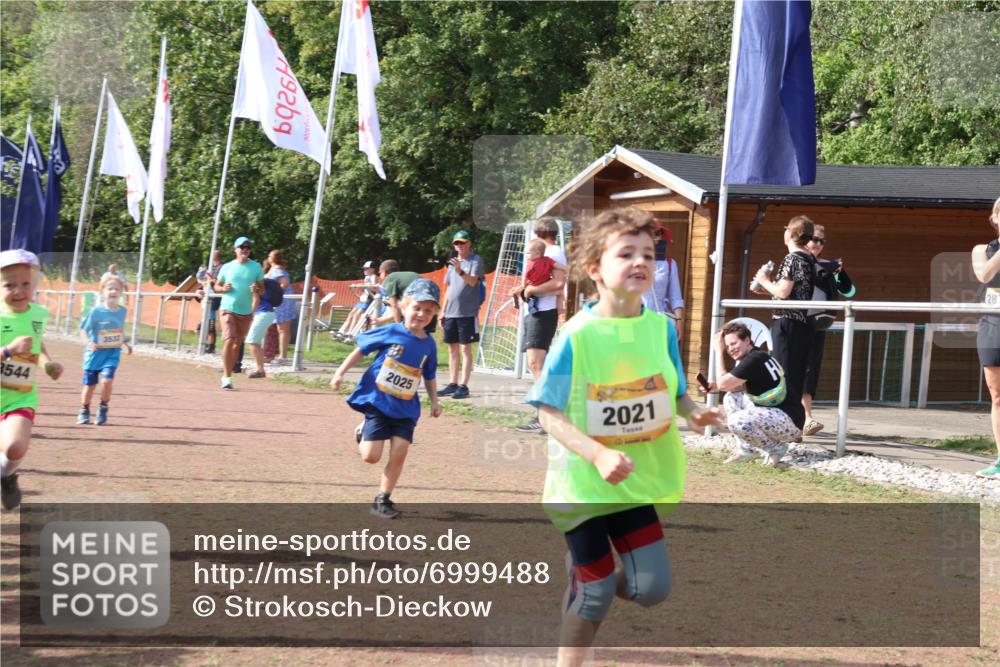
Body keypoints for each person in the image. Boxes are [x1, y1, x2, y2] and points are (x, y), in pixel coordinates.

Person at [525, 208, 721, 665]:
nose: (640, 262)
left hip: (635, 482)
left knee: (651, 589)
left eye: (648, 255)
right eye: (626, 253)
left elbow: (673, 391)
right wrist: (597, 454)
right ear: (595, 268)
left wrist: (694, 412)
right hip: (585, 485)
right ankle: (583, 606)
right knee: (595, 594)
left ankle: (586, 581)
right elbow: (548, 413)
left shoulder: (661, 328)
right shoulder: (576, 335)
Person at [330, 278, 442, 519]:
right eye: (417, 308)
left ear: (434, 315)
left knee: (400, 450)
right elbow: (361, 350)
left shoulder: (429, 344)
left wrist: (435, 401)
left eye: (428, 311)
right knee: (371, 457)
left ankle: (383, 499)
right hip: (379, 402)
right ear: (404, 307)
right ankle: (363, 431)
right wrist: (340, 373)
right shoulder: (392, 331)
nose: (421, 314)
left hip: (406, 407)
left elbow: (429, 374)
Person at [1, 249, 64, 510]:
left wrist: (47, 363)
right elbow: (14, 348)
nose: (19, 291)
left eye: (25, 284)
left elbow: (36, 345)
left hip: (19, 396)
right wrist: (8, 350)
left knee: (16, 447)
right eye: (9, 285)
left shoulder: (38, 314)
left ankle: (7, 476)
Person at [709, 321, 804, 466]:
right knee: (731, 398)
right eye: (726, 346)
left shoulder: (753, 360)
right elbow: (732, 387)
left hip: (789, 423)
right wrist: (714, 387)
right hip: (783, 417)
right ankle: (747, 450)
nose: (730, 349)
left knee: (736, 421)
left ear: (747, 340)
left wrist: (718, 351)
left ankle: (776, 448)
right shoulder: (758, 355)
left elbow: (723, 384)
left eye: (733, 343)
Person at [752, 215, 817, 414]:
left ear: (792, 233)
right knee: (796, 373)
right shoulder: (809, 258)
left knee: (783, 372)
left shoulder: (792, 258)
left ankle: (785, 417)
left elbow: (783, 292)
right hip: (802, 323)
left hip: (787, 323)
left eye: (786, 228)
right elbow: (794, 293)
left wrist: (764, 280)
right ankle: (796, 418)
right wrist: (766, 289)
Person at [800, 224, 855, 436]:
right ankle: (801, 418)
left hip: (817, 326)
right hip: (796, 323)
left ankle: (807, 418)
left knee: (809, 371)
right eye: (814, 239)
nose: (817, 244)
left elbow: (849, 292)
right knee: (794, 370)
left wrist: (840, 272)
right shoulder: (796, 261)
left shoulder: (829, 266)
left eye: (822, 241)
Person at [515, 217, 568, 434]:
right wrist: (523, 290)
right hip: (535, 311)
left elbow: (558, 283)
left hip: (543, 312)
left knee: (537, 364)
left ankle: (547, 415)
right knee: (535, 364)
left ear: (539, 234)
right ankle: (546, 413)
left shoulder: (552, 252)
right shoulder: (543, 253)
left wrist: (531, 291)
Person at [77, 275, 133, 425]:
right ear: (103, 291)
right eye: (110, 288)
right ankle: (84, 409)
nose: (113, 291)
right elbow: (83, 330)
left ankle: (103, 407)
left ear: (121, 292)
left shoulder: (122, 311)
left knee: (107, 381)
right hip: (94, 354)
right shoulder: (96, 312)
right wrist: (88, 342)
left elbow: (118, 331)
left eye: (117, 289)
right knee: (90, 386)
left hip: (112, 353)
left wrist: (125, 344)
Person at [971, 196, 1000, 479]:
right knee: (997, 395)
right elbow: (985, 275)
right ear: (995, 218)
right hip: (993, 324)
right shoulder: (982, 249)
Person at [213, 236, 265, 390]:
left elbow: (262, 289)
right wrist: (223, 289)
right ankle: (226, 377)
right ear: (235, 250)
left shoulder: (256, 267)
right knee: (230, 339)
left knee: (237, 345)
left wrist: (256, 289)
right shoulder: (227, 267)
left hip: (245, 312)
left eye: (248, 247)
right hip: (227, 308)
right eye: (242, 247)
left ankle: (229, 374)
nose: (245, 250)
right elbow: (216, 286)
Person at [439, 230, 483, 400]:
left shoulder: (475, 260)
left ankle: (464, 385)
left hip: (467, 312)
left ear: (469, 243)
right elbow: (449, 289)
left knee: (465, 348)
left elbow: (472, 282)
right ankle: (453, 383)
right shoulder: (453, 264)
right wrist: (443, 311)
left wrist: (460, 271)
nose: (459, 246)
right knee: (452, 349)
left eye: (462, 242)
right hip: (451, 312)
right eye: (457, 243)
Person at [641, 219, 685, 339]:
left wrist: (679, 321)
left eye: (658, 233)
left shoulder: (670, 263)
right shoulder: (634, 261)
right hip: (636, 319)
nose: (654, 237)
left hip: (659, 320)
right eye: (650, 233)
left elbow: (675, 297)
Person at [246, 278, 284, 379]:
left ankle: (260, 370)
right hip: (266, 313)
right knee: (255, 342)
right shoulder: (262, 283)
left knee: (252, 341)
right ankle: (260, 369)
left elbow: (256, 300)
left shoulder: (256, 284)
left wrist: (249, 314)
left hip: (263, 313)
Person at [264, 249, 296, 365]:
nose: (268, 258)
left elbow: (284, 283)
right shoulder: (274, 269)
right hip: (277, 302)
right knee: (276, 329)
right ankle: (271, 354)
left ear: (273, 258)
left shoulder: (277, 270)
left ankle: (283, 356)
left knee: (283, 329)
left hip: (283, 301)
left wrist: (275, 293)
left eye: (269, 256)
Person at [338, 260, 379, 340]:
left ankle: (350, 333)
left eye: (366, 269)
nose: (364, 270)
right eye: (364, 269)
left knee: (356, 315)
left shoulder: (374, 276)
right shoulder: (366, 277)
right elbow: (365, 289)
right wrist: (359, 287)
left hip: (369, 299)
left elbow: (373, 287)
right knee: (351, 314)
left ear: (372, 269)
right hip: (363, 298)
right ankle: (342, 331)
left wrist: (363, 286)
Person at [372, 260, 421, 327]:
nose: (380, 276)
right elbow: (401, 309)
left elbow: (394, 306)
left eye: (380, 273)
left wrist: (398, 327)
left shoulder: (389, 278)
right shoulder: (400, 278)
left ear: (384, 272)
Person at [512, 239, 555, 314]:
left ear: (538, 253)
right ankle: (519, 298)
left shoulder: (532, 264)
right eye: (526, 253)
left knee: (527, 291)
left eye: (528, 253)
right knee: (527, 292)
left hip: (536, 284)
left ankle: (520, 298)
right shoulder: (547, 260)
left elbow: (525, 277)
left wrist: (523, 285)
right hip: (539, 283)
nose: (526, 255)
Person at [196, 250, 224, 354]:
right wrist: (200, 288)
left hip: (215, 297)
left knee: (210, 323)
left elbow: (218, 282)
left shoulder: (222, 267)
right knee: (203, 325)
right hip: (207, 296)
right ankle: (207, 344)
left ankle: (211, 345)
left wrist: (212, 280)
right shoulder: (210, 268)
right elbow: (204, 281)